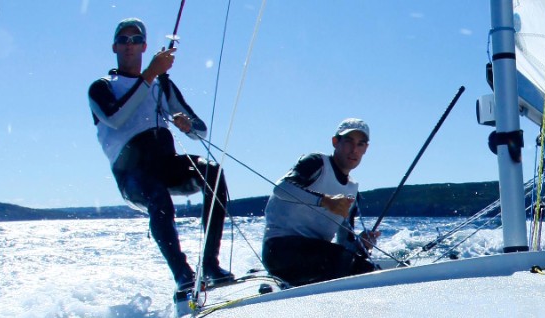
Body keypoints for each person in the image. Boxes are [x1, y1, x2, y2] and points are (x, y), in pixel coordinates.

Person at [88, 18, 234, 301]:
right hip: (131, 173)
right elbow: (116, 118)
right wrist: (150, 74)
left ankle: (210, 265)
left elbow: (200, 130)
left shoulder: (162, 85)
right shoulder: (101, 87)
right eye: (123, 40)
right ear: (114, 47)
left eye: (135, 40)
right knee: (156, 195)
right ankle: (182, 275)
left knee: (212, 173)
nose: (129, 46)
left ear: (144, 46)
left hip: (165, 163)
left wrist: (186, 123)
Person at [262, 119, 381, 287]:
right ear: (335, 142)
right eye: (348, 142)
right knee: (355, 267)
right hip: (280, 250)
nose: (354, 150)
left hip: (317, 255)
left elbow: (344, 242)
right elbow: (281, 188)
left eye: (360, 144)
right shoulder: (316, 163)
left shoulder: (352, 191)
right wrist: (324, 201)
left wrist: (361, 243)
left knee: (357, 262)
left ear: (366, 149)